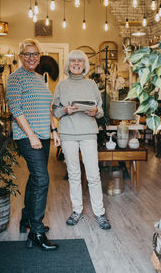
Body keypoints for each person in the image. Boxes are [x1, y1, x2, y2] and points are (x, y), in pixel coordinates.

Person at [6, 38, 60, 250]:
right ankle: (36, 232)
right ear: (20, 57)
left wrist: (54, 131)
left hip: (44, 136)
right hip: (27, 137)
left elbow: (46, 108)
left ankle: (26, 218)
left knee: (35, 178)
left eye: (35, 54)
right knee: (42, 179)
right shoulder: (14, 79)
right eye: (27, 54)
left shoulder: (40, 78)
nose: (32, 58)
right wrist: (32, 136)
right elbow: (16, 110)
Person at [52, 50, 111, 230]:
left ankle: (99, 213)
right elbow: (55, 110)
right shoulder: (61, 85)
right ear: (68, 65)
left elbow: (101, 109)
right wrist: (65, 111)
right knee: (74, 174)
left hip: (88, 133)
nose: (76, 64)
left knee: (93, 174)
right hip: (68, 134)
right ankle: (77, 210)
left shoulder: (92, 84)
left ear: (84, 65)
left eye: (80, 61)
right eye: (73, 61)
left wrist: (95, 112)